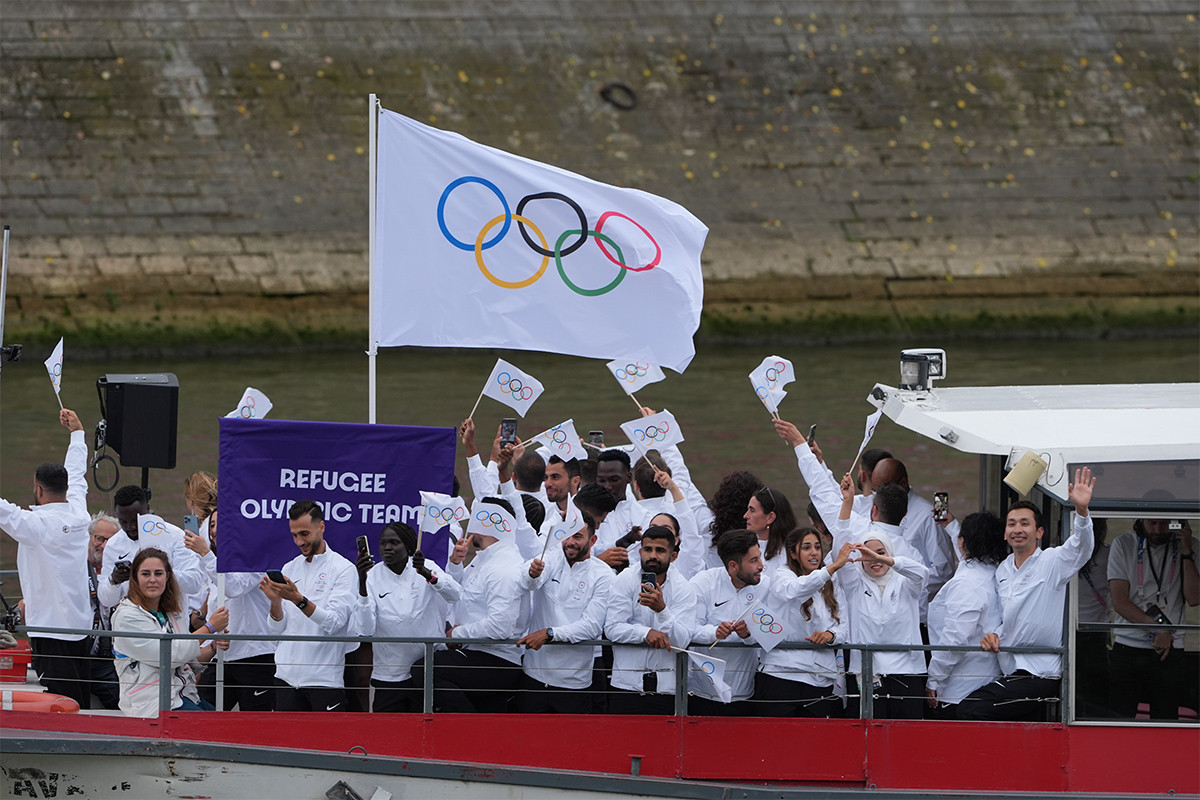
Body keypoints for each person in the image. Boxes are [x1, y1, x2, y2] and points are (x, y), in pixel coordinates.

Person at [958, 468, 1097, 722]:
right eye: (1011, 524)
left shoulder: (1052, 561)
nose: (1017, 529)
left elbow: (1082, 547)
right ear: (1005, 533)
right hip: (1009, 668)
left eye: (1025, 523)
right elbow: (1008, 618)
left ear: (1039, 532)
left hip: (1039, 673)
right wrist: (994, 635)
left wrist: (1082, 511)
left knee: (969, 709)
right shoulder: (1002, 569)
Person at [0, 409, 92, 707]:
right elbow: (76, 473)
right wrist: (77, 433)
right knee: (80, 697)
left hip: (51, 631)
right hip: (81, 628)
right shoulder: (79, 513)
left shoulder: (35, 525)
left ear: (38, 490)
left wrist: (77, 435)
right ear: (65, 489)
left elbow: (3, 509)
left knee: (61, 703)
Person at [833, 473, 929, 720]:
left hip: (906, 673)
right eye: (868, 554)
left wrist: (885, 559)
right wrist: (847, 503)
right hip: (865, 674)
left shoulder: (906, 583)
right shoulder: (854, 584)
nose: (874, 560)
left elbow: (922, 573)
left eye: (880, 553)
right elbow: (839, 550)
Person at [260, 500, 358, 712]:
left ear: (321, 527)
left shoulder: (344, 569)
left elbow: (334, 623)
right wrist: (275, 602)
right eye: (294, 535)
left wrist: (298, 600)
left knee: (327, 736)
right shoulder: (290, 567)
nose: (299, 541)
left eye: (304, 534)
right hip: (285, 678)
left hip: (324, 681)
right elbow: (276, 630)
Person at [354, 521, 460, 713]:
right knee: (388, 730)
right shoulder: (371, 576)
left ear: (409, 546)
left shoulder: (426, 566)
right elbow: (364, 630)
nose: (387, 547)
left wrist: (427, 574)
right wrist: (362, 583)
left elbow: (455, 595)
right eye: (383, 543)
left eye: (394, 542)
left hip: (426, 672)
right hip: (389, 676)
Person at [437, 497, 530, 712]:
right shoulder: (484, 559)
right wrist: (456, 564)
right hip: (476, 652)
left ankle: (468, 726)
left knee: (424, 669)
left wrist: (457, 634)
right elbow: (458, 594)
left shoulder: (504, 567)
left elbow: (500, 627)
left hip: (497, 659)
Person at [111, 548, 229, 717]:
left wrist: (213, 648)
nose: (152, 579)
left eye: (158, 573)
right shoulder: (126, 617)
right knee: (215, 728)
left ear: (167, 577)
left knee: (227, 723)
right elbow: (170, 656)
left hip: (184, 696)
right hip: (153, 704)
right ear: (135, 578)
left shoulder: (172, 612)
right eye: (145, 574)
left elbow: (187, 659)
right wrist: (209, 628)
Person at [516, 510, 612, 713]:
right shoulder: (553, 558)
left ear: (593, 540)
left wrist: (549, 634)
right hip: (533, 676)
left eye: (577, 536)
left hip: (574, 684)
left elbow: (591, 626)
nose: (570, 542)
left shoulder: (603, 575)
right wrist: (532, 573)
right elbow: (530, 581)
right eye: (565, 535)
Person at [184, 509, 278, 711]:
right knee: (204, 717)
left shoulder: (256, 557)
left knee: (254, 724)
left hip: (255, 657)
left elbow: (233, 588)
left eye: (221, 524)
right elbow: (217, 607)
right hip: (221, 656)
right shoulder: (214, 562)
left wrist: (205, 553)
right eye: (212, 525)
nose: (215, 530)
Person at [1107, 516, 1198, 720]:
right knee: (1119, 719)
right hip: (1129, 645)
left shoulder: (1190, 546)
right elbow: (1119, 602)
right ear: (1141, 521)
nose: (1158, 529)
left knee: (1166, 720)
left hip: (1170, 648)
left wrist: (1186, 553)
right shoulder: (1124, 544)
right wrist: (1157, 629)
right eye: (1152, 523)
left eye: (1165, 523)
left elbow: (1194, 598)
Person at [756, 528, 853, 718]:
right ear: (793, 553)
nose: (814, 552)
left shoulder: (831, 580)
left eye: (817, 547)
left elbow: (843, 626)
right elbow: (794, 590)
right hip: (781, 674)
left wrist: (830, 635)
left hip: (820, 678)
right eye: (806, 548)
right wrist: (832, 568)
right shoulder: (781, 575)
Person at [603, 524, 697, 714]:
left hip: (667, 688)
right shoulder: (625, 579)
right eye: (647, 549)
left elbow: (682, 641)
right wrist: (645, 633)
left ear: (673, 556)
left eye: (660, 550)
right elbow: (612, 628)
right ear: (640, 552)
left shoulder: (684, 588)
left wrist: (662, 610)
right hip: (627, 685)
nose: (652, 555)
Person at [925, 511, 1005, 719]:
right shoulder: (996, 573)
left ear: (963, 542)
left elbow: (955, 638)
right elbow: (969, 556)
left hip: (957, 691)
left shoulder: (967, 583)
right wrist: (953, 527)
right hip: (984, 683)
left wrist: (934, 679)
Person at [687, 529, 766, 715]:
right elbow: (689, 629)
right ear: (733, 566)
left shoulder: (766, 585)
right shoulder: (703, 582)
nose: (761, 566)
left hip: (746, 694)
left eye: (760, 558)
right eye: (753, 560)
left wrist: (748, 634)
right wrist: (714, 632)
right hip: (702, 693)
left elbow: (773, 634)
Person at [98, 485, 206, 614]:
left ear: (147, 509)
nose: (130, 527)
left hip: (171, 617)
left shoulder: (175, 535)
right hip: (132, 619)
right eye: (123, 522)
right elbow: (106, 600)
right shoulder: (113, 545)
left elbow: (194, 583)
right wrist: (114, 580)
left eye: (135, 520)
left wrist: (161, 573)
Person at [84, 512, 121, 709]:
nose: (104, 545)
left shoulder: (122, 573)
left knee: (120, 702)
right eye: (100, 538)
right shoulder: (74, 569)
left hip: (110, 658)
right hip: (79, 653)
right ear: (89, 537)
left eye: (111, 541)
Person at [592, 450, 649, 569]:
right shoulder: (586, 513)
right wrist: (601, 560)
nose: (607, 486)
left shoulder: (643, 516)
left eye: (614, 480)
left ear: (628, 478)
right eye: (602, 481)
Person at [743, 486, 798, 573]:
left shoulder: (788, 556)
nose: (745, 516)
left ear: (770, 517)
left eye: (752, 510)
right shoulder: (743, 548)